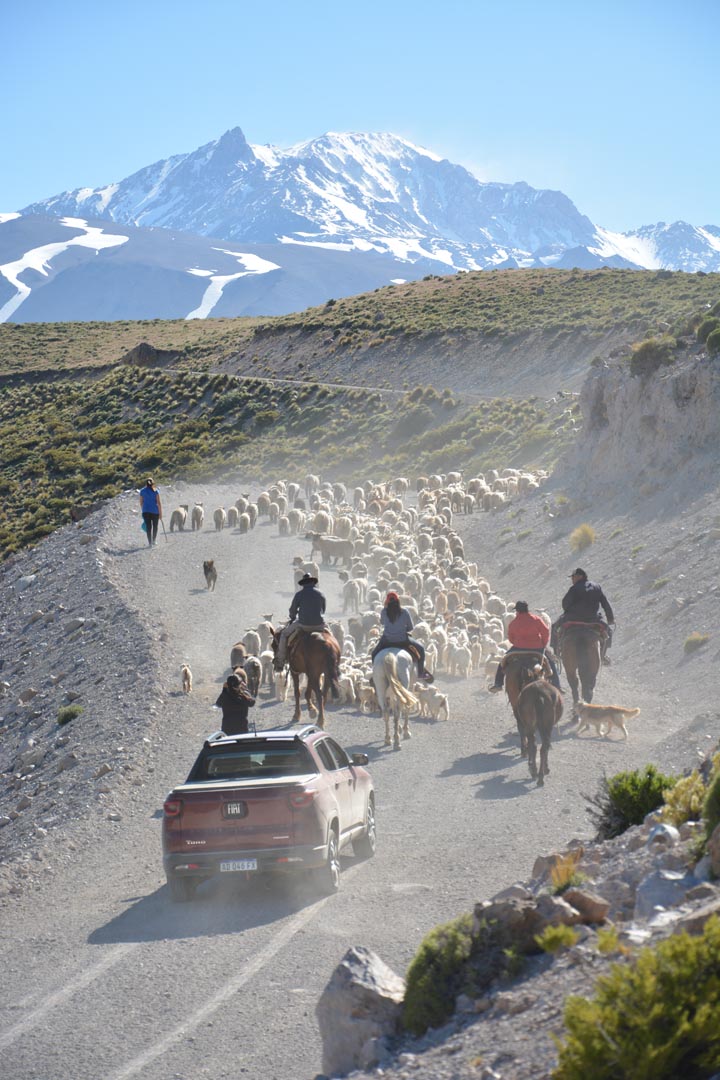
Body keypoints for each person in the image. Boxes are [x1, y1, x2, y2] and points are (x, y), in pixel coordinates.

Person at [489, 601, 561, 692]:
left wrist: (518, 643)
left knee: (502, 662)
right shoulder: (536, 619)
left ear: (517, 611)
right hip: (537, 648)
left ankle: (498, 684)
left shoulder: (513, 623)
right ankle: (557, 686)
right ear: (527, 609)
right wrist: (543, 644)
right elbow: (545, 631)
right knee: (550, 663)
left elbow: (511, 638)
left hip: (518, 648)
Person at [370, 591, 434, 682]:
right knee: (421, 649)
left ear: (387, 601)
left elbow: (382, 623)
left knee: (374, 654)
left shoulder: (384, 611)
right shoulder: (404, 611)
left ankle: (375, 674)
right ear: (398, 601)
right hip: (403, 640)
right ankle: (420, 673)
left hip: (387, 640)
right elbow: (410, 628)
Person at [554, 568, 615, 663]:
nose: (572, 579)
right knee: (609, 632)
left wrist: (569, 611)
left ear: (580, 576)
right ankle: (602, 655)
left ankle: (556, 653)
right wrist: (610, 619)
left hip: (572, 618)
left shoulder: (574, 588)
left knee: (554, 626)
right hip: (593, 619)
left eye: (573, 577)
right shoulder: (597, 587)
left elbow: (565, 604)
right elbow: (605, 604)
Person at [274, 573, 327, 670]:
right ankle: (336, 663)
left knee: (284, 634)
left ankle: (280, 661)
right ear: (313, 582)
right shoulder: (321, 593)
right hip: (319, 625)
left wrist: (293, 617)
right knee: (331, 637)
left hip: (303, 624)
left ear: (303, 584)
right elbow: (323, 610)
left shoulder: (299, 594)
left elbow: (293, 610)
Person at [138, 478, 162, 547]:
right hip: (155, 511)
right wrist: (160, 514)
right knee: (155, 527)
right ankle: (154, 541)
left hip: (145, 511)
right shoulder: (155, 490)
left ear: (146, 484)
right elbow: (159, 503)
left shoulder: (142, 491)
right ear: (153, 483)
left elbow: (141, 502)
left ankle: (150, 543)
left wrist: (144, 510)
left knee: (148, 527)